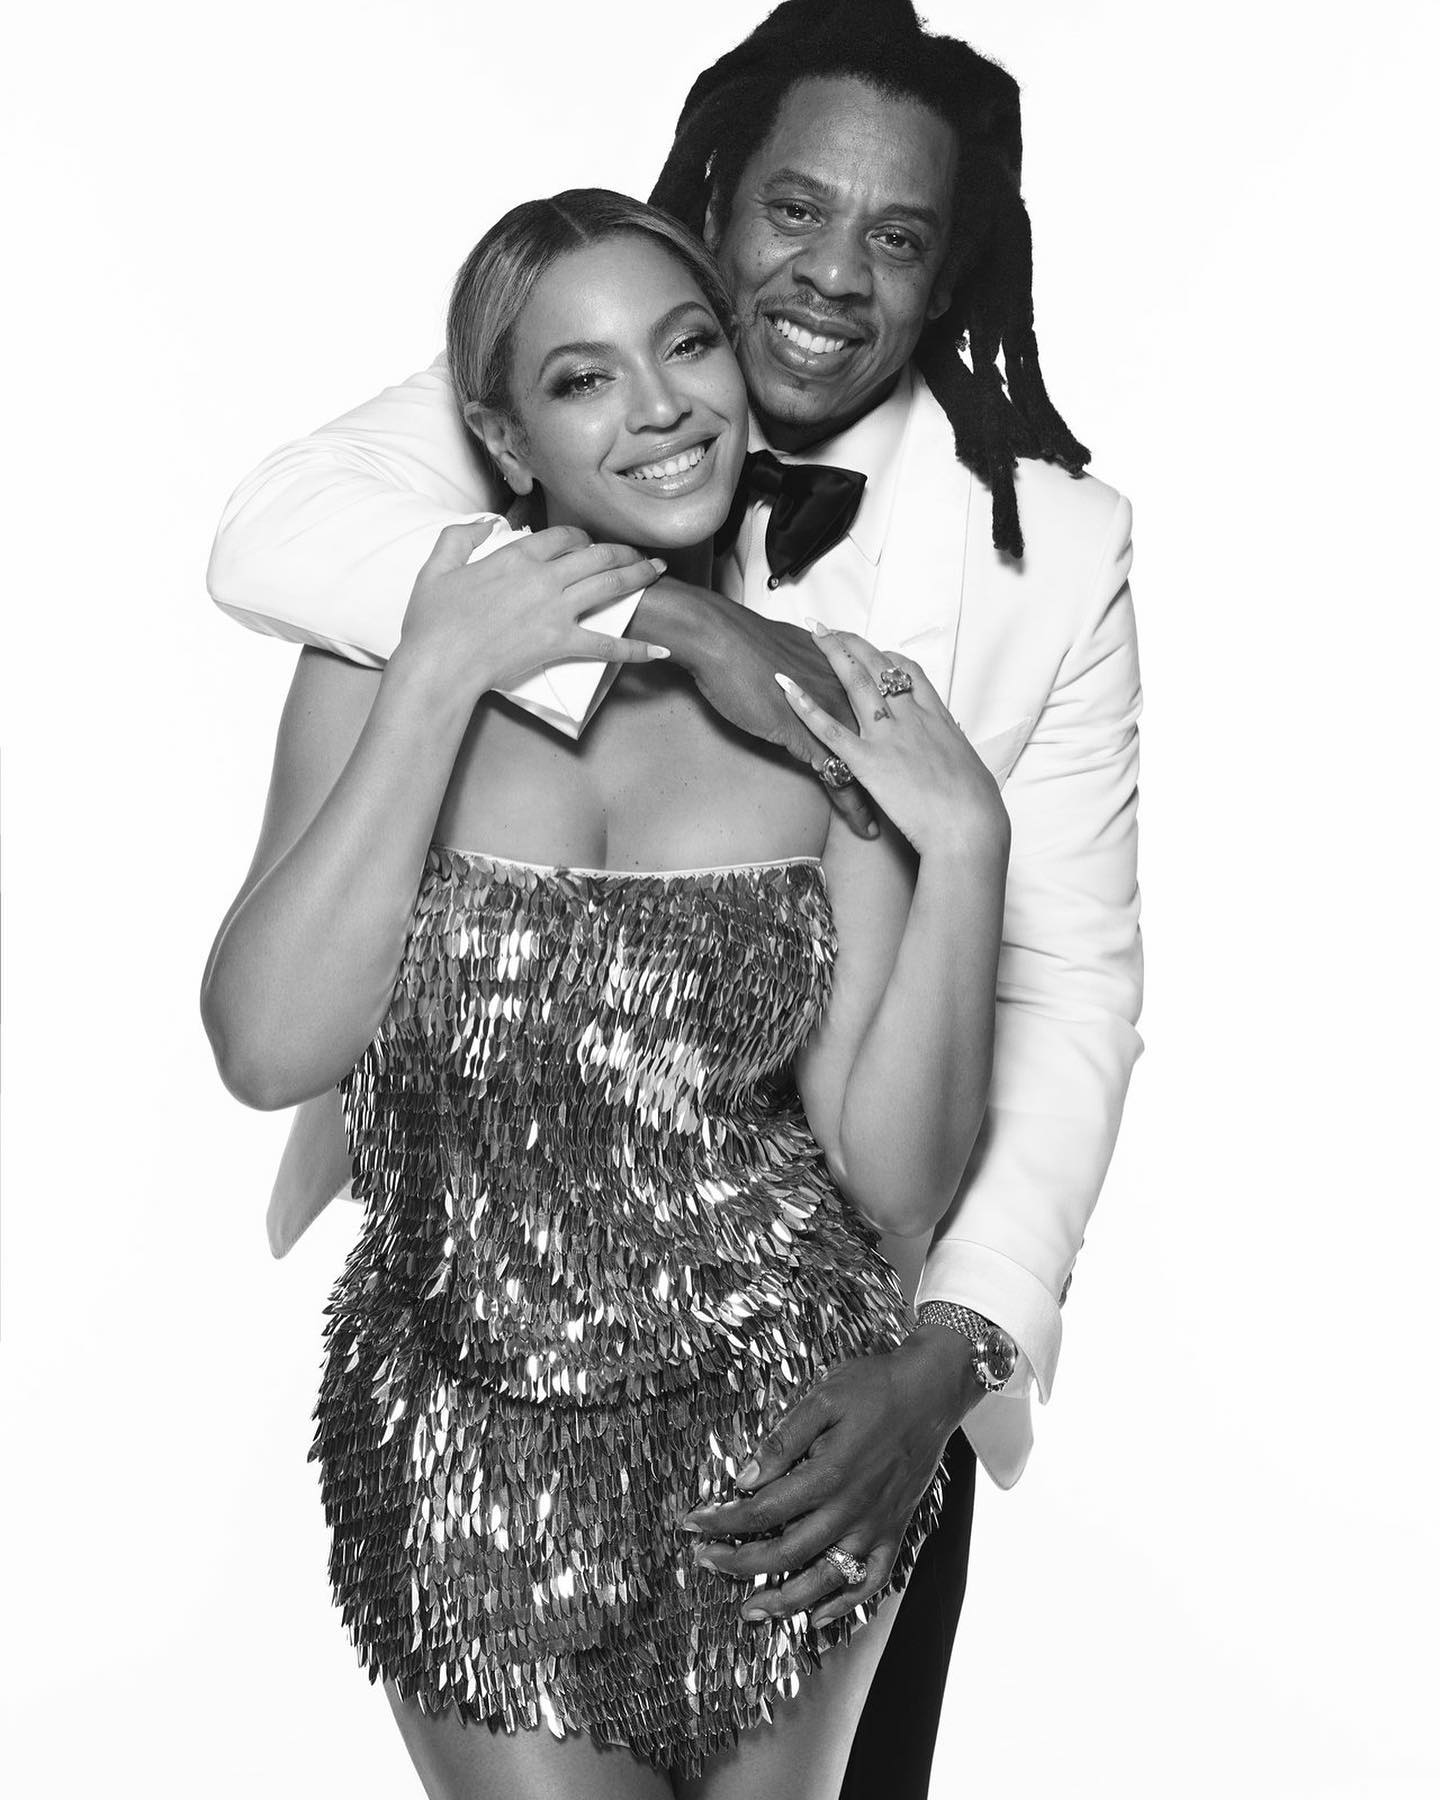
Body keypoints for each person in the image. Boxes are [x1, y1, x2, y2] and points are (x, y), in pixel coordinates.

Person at [206, 3, 1143, 1794]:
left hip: (823, 1393)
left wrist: (948, 1354)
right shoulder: (435, 510)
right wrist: (657, 623)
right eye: (795, 210)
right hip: (469, 1407)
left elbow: (1067, 993)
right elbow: (268, 534)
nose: (835, 276)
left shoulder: (1009, 580)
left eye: (898, 237)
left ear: (947, 273)